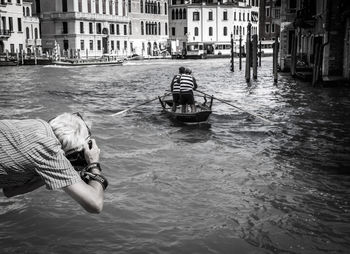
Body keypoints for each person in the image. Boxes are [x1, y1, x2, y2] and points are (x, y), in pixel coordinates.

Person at [0, 112, 108, 214]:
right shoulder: (50, 152)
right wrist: (93, 164)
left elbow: (10, 190)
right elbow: (95, 204)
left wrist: (56, 174)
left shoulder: (37, 124)